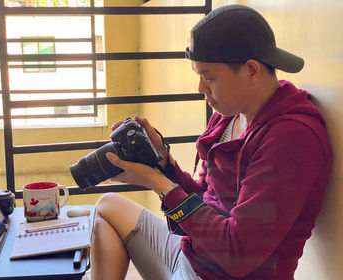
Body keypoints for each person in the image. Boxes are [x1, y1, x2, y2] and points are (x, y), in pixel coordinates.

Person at [90, 4, 333, 280]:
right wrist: (162, 164)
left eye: (209, 77)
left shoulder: (292, 138)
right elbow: (206, 200)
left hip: (222, 273)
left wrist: (157, 183)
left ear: (252, 70)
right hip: (192, 256)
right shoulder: (228, 116)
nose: (200, 89)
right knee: (107, 206)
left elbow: (239, 254)